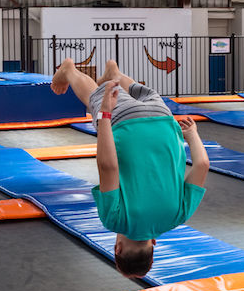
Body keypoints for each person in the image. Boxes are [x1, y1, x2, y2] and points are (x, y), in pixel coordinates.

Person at [50, 58, 209, 278]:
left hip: (163, 116)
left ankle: (116, 75)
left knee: (134, 91)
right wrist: (104, 115)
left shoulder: (177, 217)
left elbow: (202, 165)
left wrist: (192, 135)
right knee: (92, 96)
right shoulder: (115, 221)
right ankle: (69, 70)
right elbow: (108, 167)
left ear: (153, 245)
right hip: (125, 122)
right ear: (118, 248)